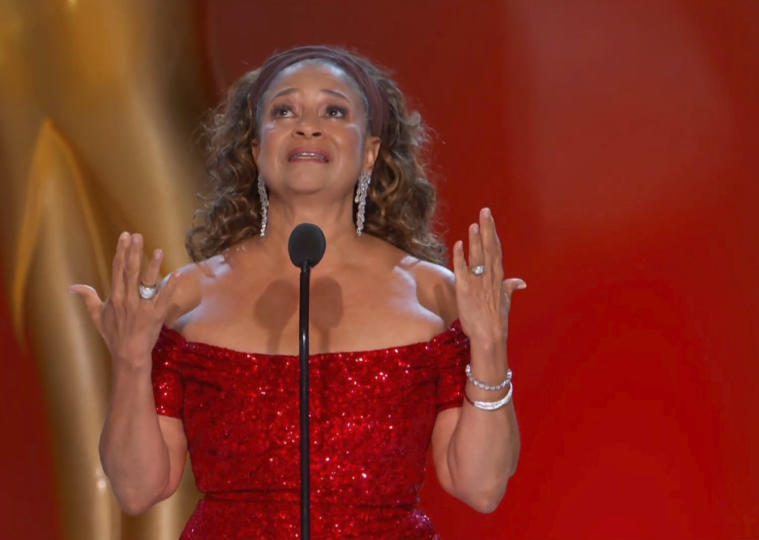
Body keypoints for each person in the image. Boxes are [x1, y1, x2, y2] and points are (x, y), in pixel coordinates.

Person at [71, 45, 525, 539]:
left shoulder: (435, 297)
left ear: (370, 151)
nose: (307, 125)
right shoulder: (185, 298)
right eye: (283, 110)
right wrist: (133, 363)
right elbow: (138, 490)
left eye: (334, 111)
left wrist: (490, 347)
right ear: (255, 149)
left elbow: (480, 487)